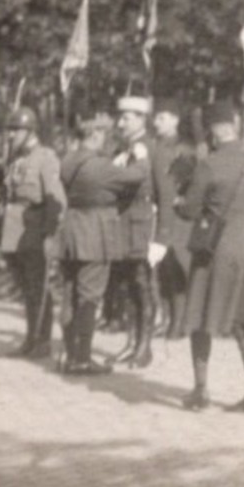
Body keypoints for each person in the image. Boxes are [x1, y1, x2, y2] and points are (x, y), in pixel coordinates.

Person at [175, 102, 244, 413]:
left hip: (217, 248)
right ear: (234, 125)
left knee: (201, 316)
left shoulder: (210, 164)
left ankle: (201, 391)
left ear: (213, 130)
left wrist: (180, 198)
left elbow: (189, 210)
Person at [56, 113, 148, 375]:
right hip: (94, 232)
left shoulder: (70, 159)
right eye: (105, 135)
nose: (107, 141)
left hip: (72, 230)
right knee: (89, 296)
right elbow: (137, 175)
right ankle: (82, 358)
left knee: (70, 293)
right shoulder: (99, 165)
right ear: (95, 134)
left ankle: (69, 352)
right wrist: (140, 155)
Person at [0, 108, 65, 360]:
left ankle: (42, 339)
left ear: (30, 131)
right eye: (9, 130)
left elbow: (55, 198)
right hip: (15, 227)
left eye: (15, 130)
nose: (10, 135)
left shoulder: (45, 157)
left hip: (35, 227)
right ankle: (30, 337)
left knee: (39, 285)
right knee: (25, 286)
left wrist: (50, 233)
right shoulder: (16, 158)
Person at [108, 96, 159, 367]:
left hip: (143, 224)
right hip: (123, 224)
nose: (121, 123)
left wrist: (161, 237)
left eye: (127, 118)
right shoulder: (121, 148)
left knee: (143, 284)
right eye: (121, 117)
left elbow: (163, 190)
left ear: (141, 119)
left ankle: (144, 346)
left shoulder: (153, 148)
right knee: (126, 286)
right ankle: (131, 341)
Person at [150, 99, 196, 340]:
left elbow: (190, 184)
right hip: (159, 216)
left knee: (178, 268)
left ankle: (180, 323)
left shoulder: (184, 149)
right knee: (164, 271)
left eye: (162, 118)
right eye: (156, 118)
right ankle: (168, 320)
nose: (156, 122)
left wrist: (182, 204)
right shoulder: (154, 146)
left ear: (175, 120)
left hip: (178, 218)